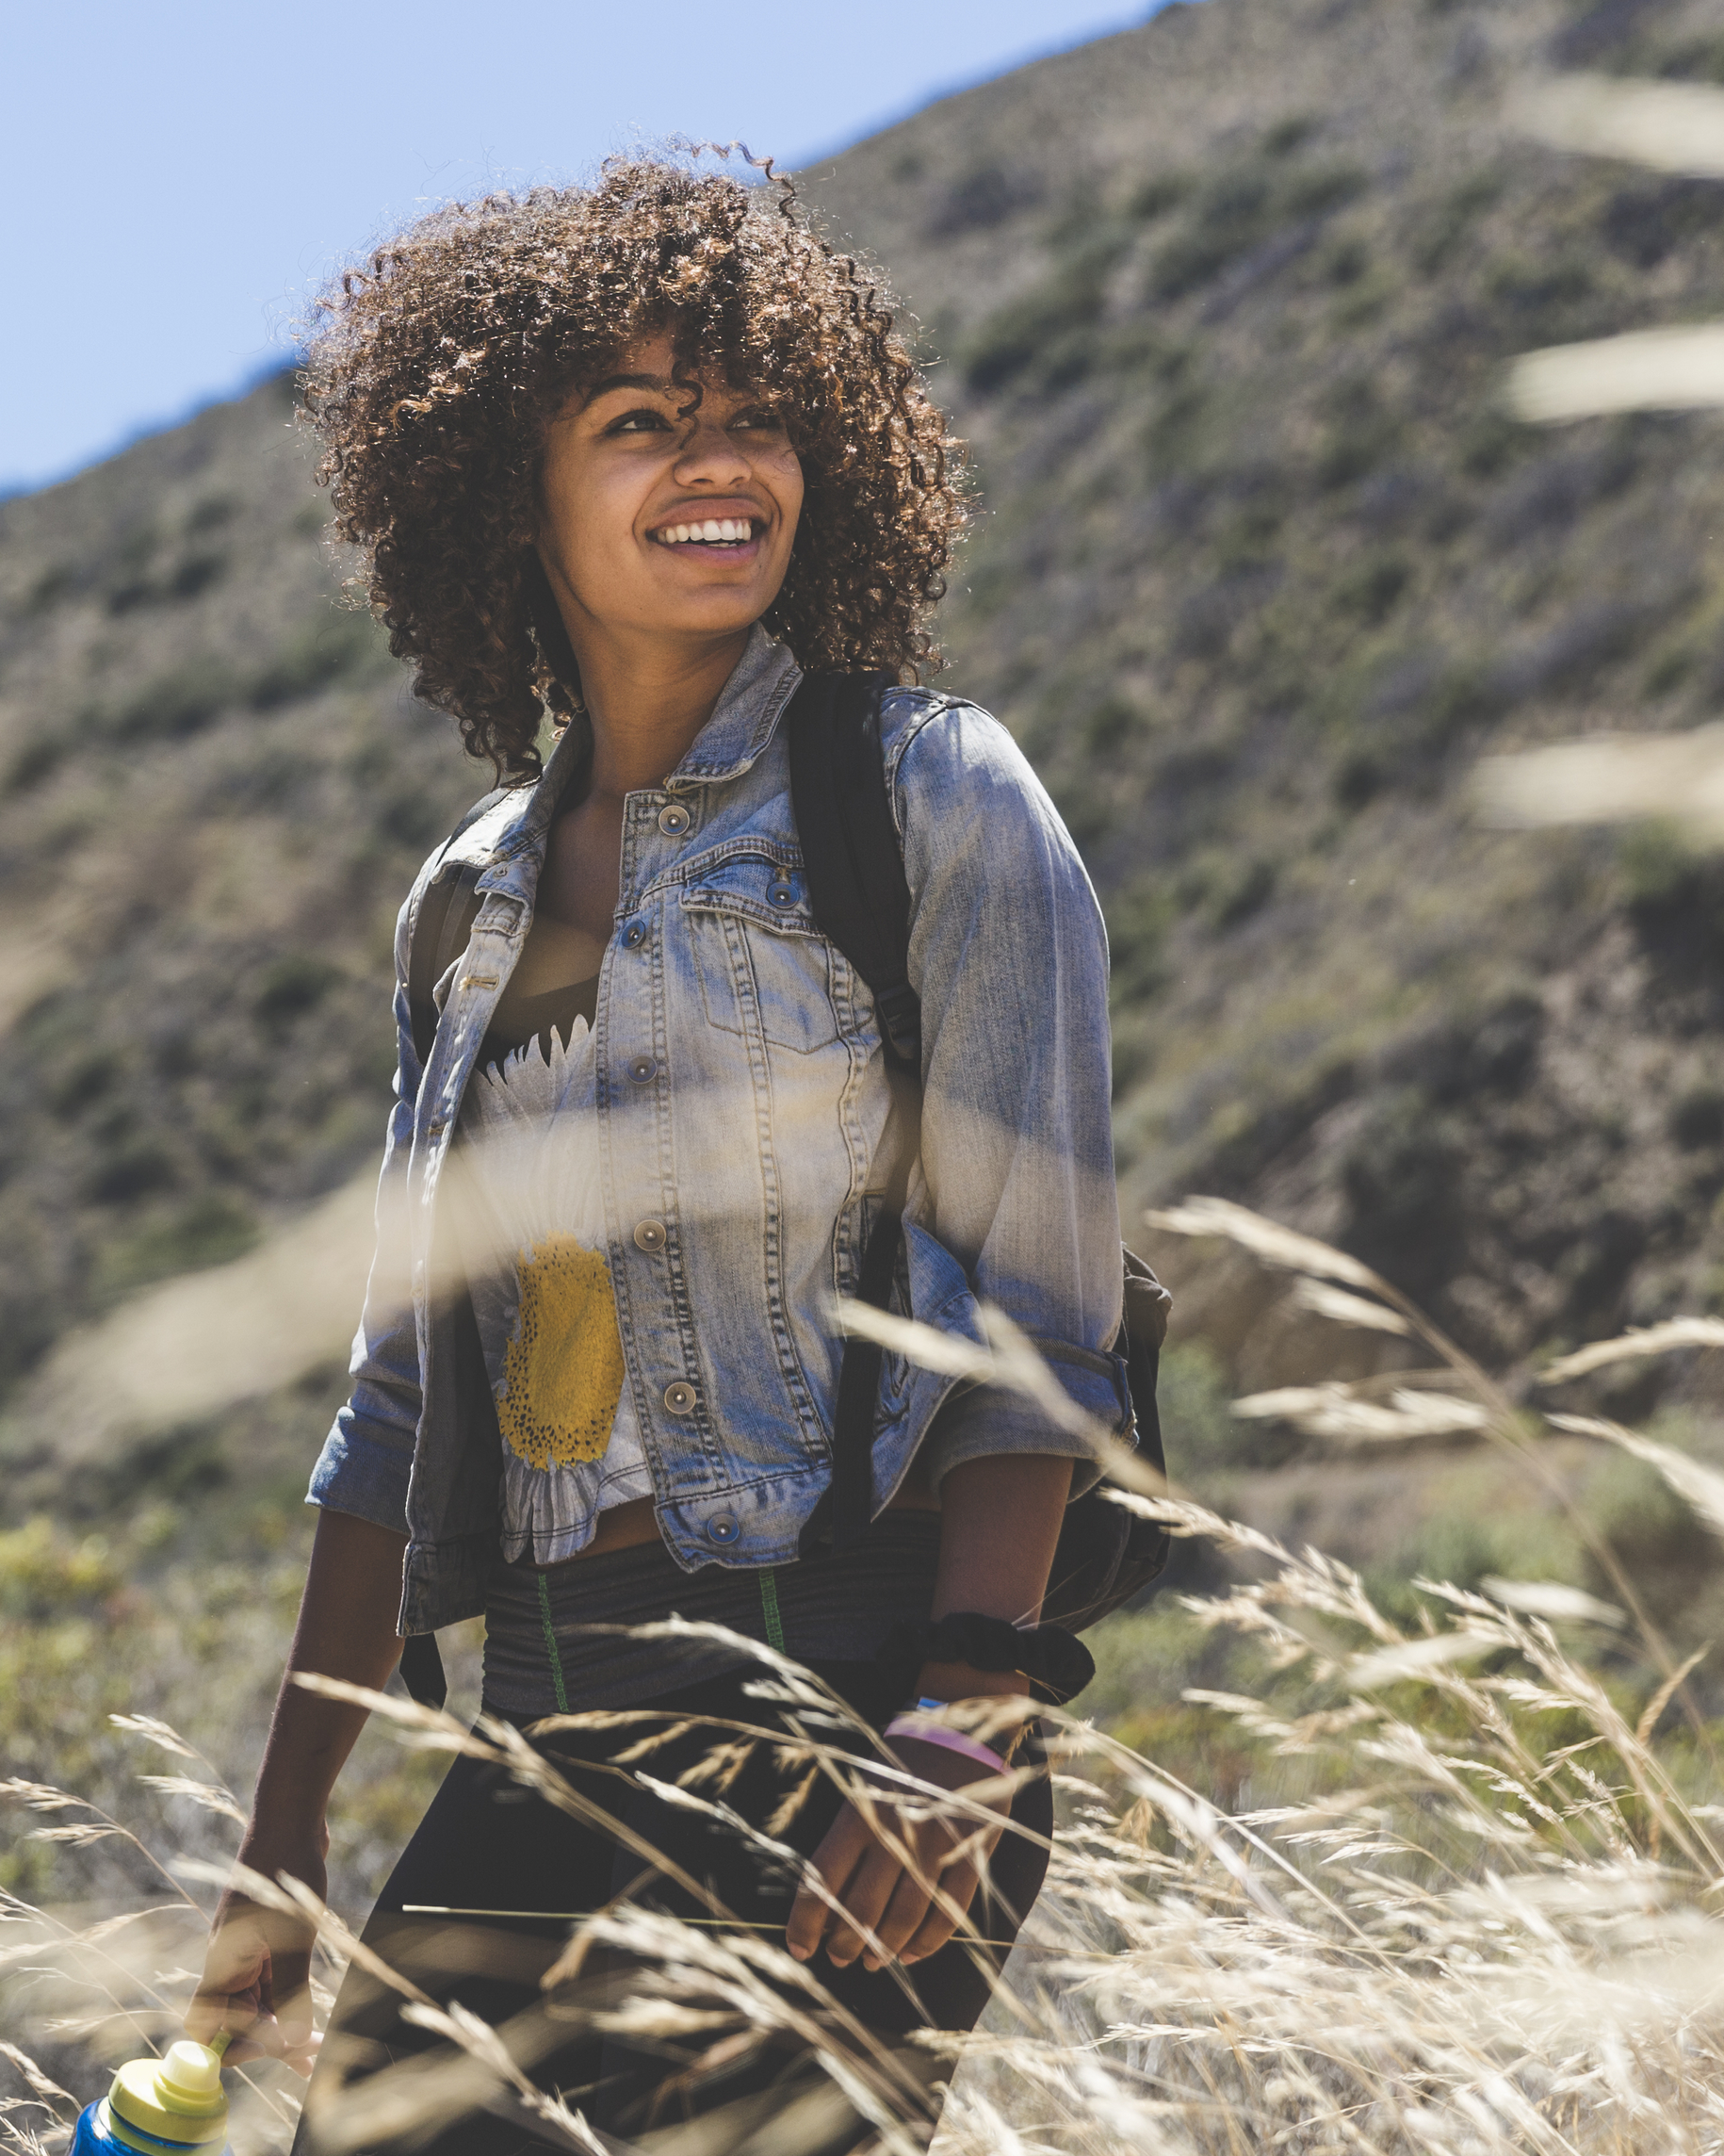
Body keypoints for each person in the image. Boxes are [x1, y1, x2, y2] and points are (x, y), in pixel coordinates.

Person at [194, 158, 1128, 2154]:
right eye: (638, 423)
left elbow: (1033, 1309)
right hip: (545, 1718)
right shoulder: (465, 897)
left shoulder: (928, 797)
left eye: (751, 416)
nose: (716, 467)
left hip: (852, 1693)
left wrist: (963, 1722)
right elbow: (393, 1398)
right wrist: (279, 1852)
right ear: (504, 496)